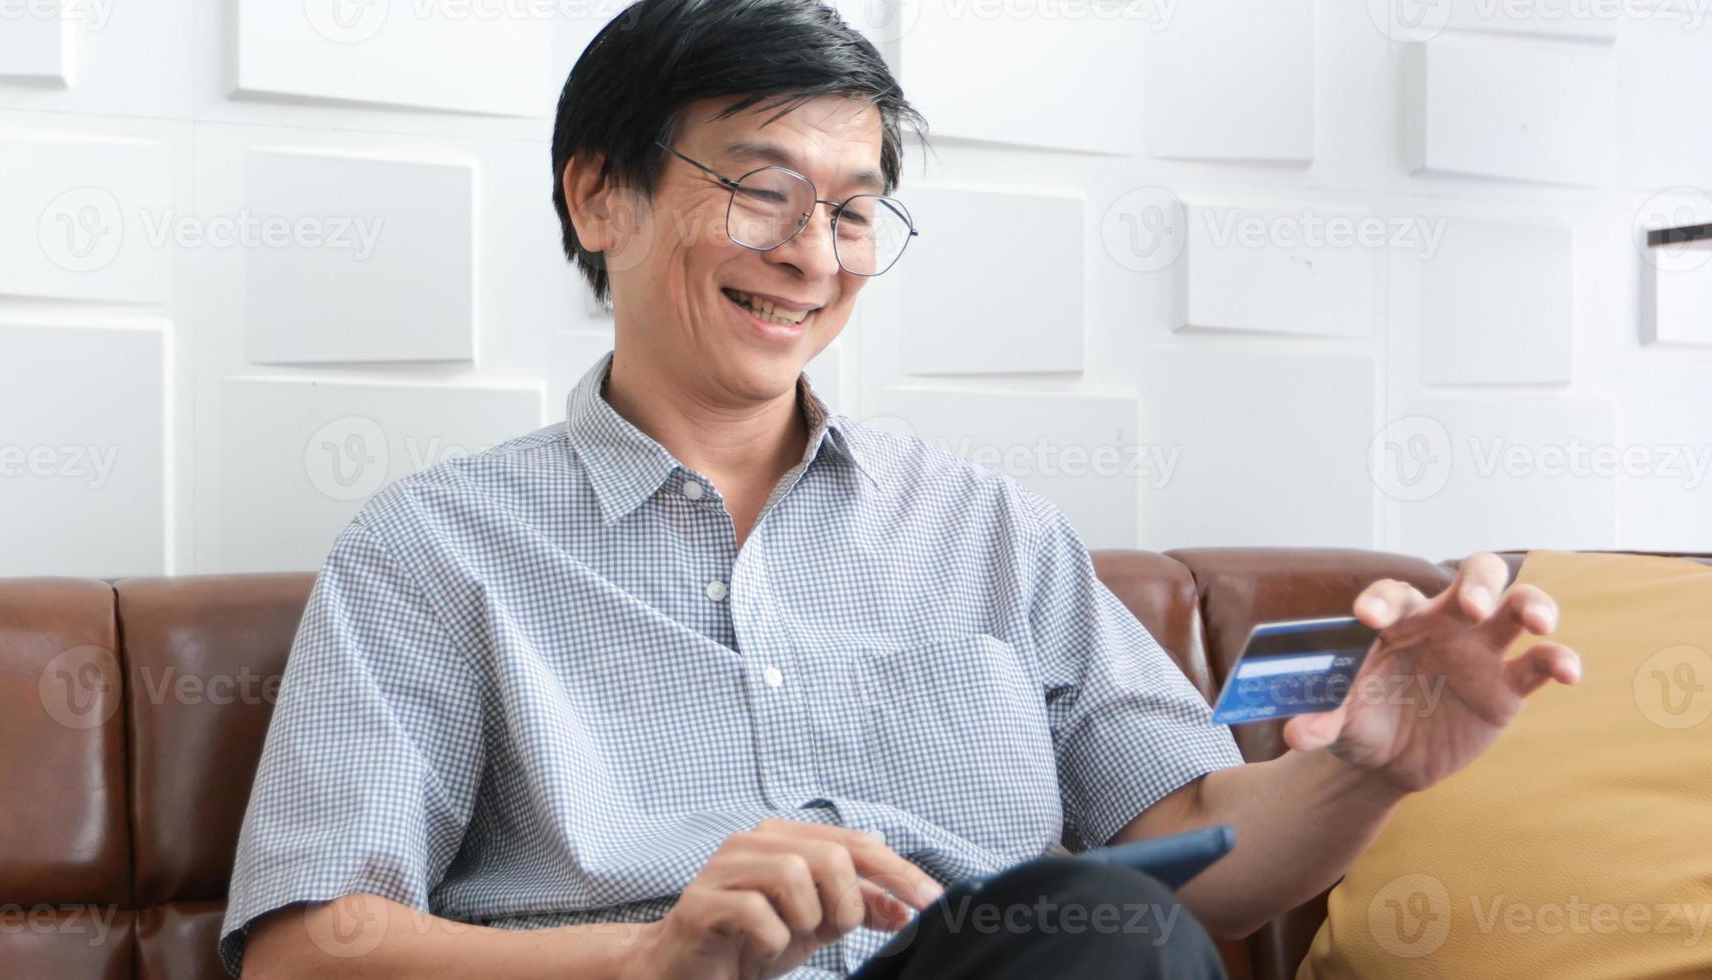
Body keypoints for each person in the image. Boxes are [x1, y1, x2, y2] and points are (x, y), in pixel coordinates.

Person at [223, 0, 1582, 976]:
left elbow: (1196, 848)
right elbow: (308, 946)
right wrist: (653, 956)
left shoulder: (992, 534)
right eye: (762, 189)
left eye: (856, 208)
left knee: (1109, 927)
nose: (815, 252)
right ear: (601, 200)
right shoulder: (434, 549)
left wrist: (1364, 771)